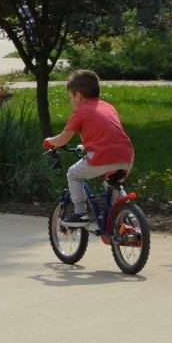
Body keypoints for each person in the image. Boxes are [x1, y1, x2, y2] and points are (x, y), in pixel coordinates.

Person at [42, 69, 134, 226]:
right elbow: (105, 134)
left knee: (73, 174)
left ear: (78, 96)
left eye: (70, 97)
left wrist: (50, 141)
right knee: (113, 186)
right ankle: (130, 218)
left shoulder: (80, 111)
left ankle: (80, 214)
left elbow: (63, 139)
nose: (71, 101)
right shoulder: (109, 108)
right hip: (126, 156)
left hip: (102, 156)